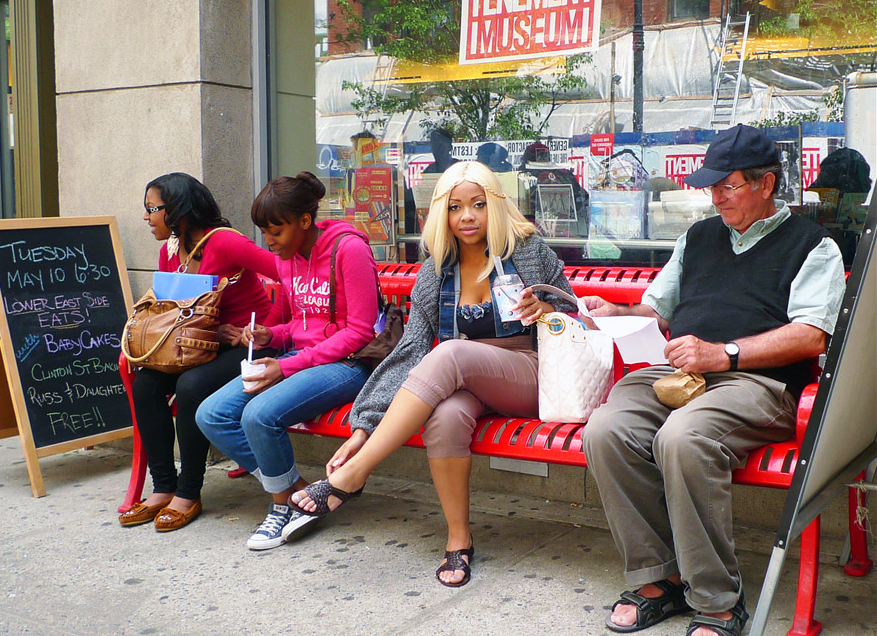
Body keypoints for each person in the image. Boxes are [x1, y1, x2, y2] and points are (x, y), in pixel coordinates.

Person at [578, 124, 846, 636]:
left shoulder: (813, 246)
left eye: (727, 185)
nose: (715, 195)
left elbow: (812, 333)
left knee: (683, 437)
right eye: (712, 186)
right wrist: (618, 314)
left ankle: (718, 599)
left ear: (767, 184)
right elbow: (655, 309)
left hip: (757, 382)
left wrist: (723, 353)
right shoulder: (699, 236)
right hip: (680, 375)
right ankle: (661, 578)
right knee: (607, 429)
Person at [288, 160, 580, 586]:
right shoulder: (436, 270)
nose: (467, 216)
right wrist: (363, 427)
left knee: (454, 354)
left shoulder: (529, 250)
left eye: (478, 205)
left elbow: (575, 311)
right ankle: (458, 542)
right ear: (441, 213)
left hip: (530, 371)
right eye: (455, 207)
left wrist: (548, 308)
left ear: (494, 206)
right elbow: (410, 351)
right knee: (444, 419)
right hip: (468, 378)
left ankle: (353, 476)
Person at [195, 173, 379, 551]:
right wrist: (269, 336)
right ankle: (297, 491)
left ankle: (281, 506)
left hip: (347, 364)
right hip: (301, 358)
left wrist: (289, 364)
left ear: (305, 221)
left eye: (275, 231)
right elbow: (299, 322)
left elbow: (360, 332)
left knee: (258, 414)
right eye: (263, 231)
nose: (269, 242)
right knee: (211, 414)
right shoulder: (288, 259)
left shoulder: (349, 249)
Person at [120, 172, 279, 532]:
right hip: (195, 347)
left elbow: (288, 274)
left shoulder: (224, 243)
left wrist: (265, 329)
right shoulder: (170, 251)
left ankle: (189, 492)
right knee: (144, 382)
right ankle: (163, 487)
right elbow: (170, 311)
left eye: (152, 209)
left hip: (242, 347)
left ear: (178, 209)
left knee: (191, 386)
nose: (146, 217)